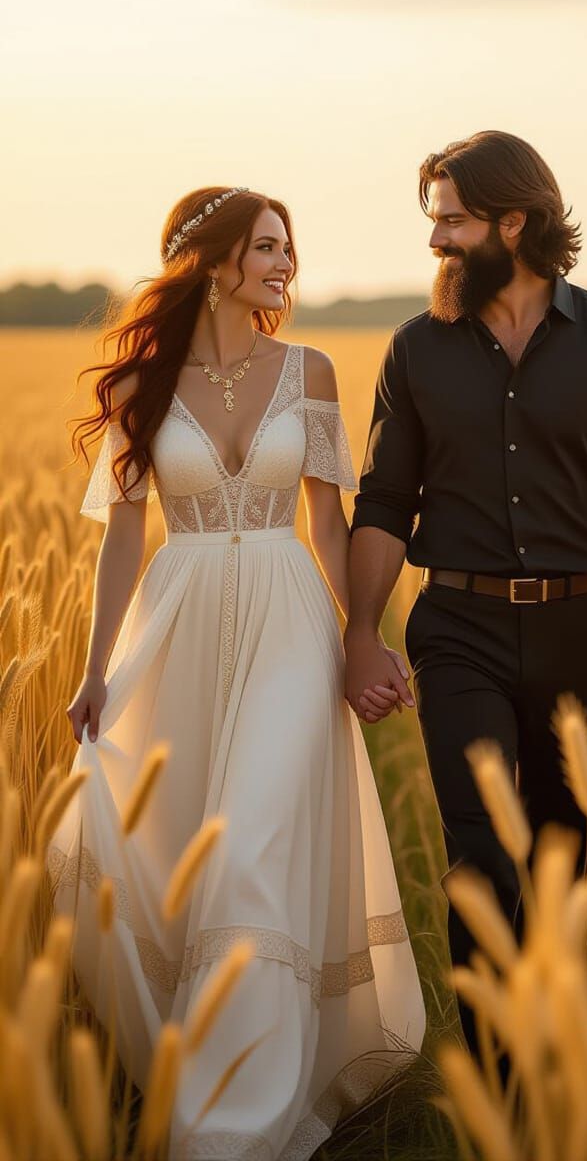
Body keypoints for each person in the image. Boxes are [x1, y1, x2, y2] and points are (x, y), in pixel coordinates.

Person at [47, 186, 425, 1161]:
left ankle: (231, 1131)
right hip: (174, 630)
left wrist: (365, 638)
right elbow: (123, 544)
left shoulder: (313, 371)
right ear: (212, 261)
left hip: (289, 628)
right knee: (175, 857)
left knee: (252, 850)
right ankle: (201, 1068)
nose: (283, 264)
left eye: (286, 248)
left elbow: (327, 524)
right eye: (265, 247)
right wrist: (97, 670)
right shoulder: (142, 386)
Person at [344, 130, 587, 1057]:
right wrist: (361, 633)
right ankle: (502, 1082)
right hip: (456, 628)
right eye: (434, 221)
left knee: (561, 860)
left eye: (451, 221)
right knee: (484, 858)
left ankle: (557, 1058)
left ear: (514, 221)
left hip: (582, 628)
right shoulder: (418, 350)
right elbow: (383, 501)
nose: (435, 242)